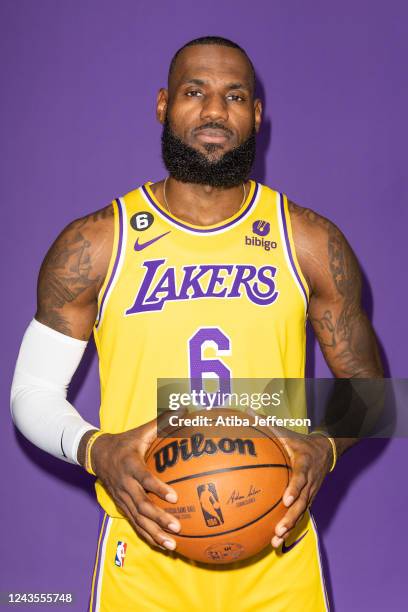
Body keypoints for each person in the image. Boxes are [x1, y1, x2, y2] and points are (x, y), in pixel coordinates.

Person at [10, 36, 383, 611]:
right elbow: (31, 393)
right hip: (146, 558)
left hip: (278, 556)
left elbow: (371, 391)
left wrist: (325, 448)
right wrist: (95, 450)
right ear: (163, 105)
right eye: (195, 92)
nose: (214, 110)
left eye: (235, 96)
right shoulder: (98, 243)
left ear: (256, 116)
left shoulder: (308, 241)